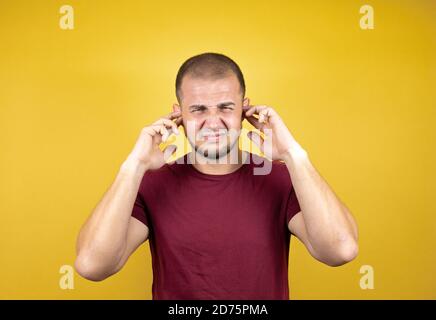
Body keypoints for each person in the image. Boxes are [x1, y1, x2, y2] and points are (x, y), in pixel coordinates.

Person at [74, 52, 359, 300]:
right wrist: (133, 166)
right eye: (198, 109)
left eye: (225, 107)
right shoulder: (152, 183)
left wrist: (293, 154)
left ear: (244, 109)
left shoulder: (280, 178)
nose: (213, 122)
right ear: (178, 115)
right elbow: (92, 266)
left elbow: (340, 251)